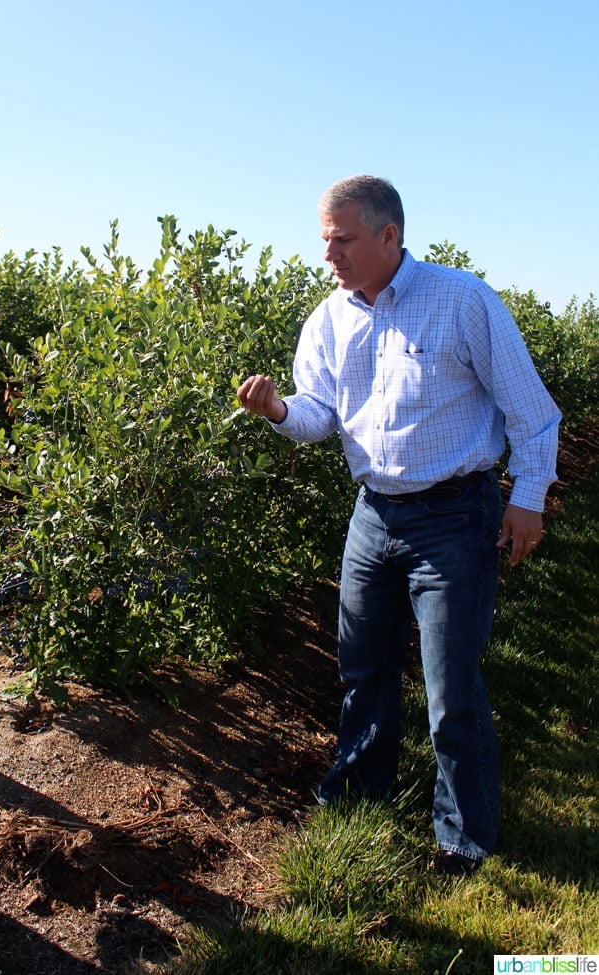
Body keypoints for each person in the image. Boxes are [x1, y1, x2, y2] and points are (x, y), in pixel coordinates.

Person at [237, 175, 561, 877]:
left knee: (450, 690)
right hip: (374, 514)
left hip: (454, 514)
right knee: (363, 668)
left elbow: (532, 412)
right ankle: (358, 796)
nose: (330, 255)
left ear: (389, 235)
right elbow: (322, 412)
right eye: (324, 239)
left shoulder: (461, 300)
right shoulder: (328, 319)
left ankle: (463, 838)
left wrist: (527, 496)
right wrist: (279, 412)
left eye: (343, 239)